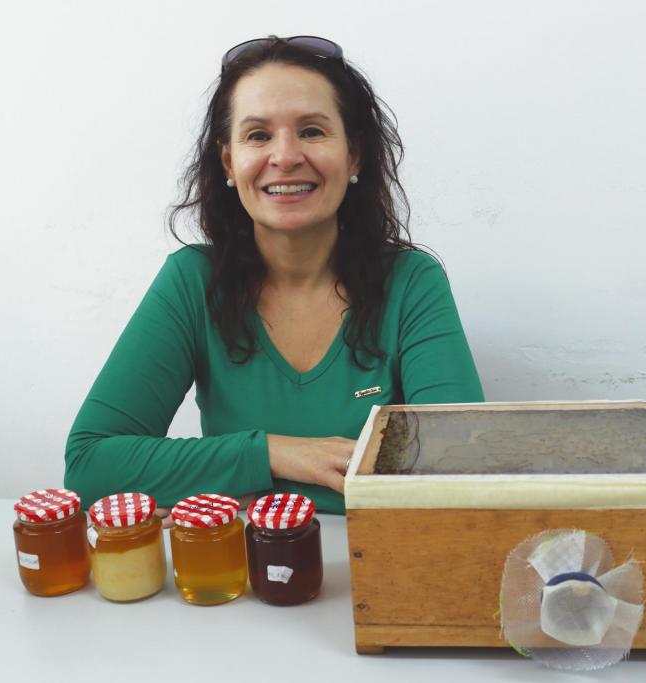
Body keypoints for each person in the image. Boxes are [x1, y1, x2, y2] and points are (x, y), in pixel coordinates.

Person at [64, 36, 483, 515]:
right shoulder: (190, 281)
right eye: (258, 135)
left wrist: (216, 483)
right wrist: (275, 454)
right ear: (229, 162)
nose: (284, 157)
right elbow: (89, 465)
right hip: (237, 577)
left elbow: (459, 468)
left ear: (354, 157)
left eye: (311, 131)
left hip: (377, 569)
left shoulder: (412, 282)